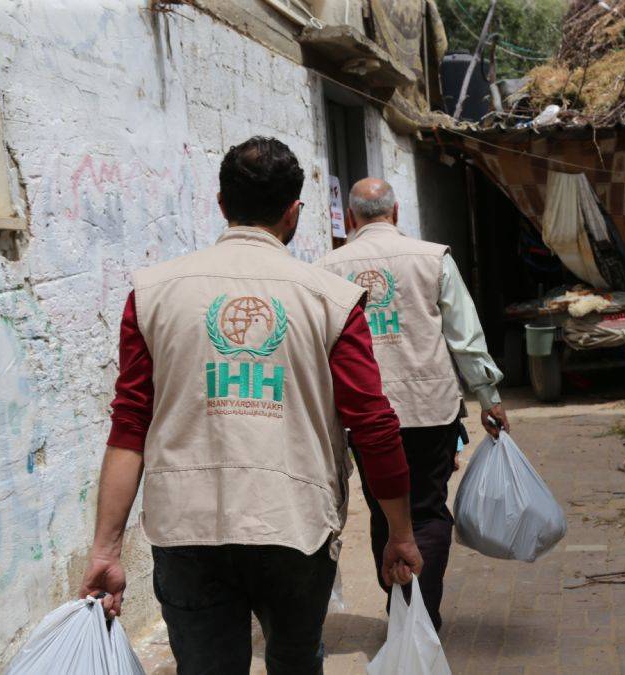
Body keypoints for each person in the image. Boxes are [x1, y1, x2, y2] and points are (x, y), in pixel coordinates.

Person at [78, 138, 423, 674]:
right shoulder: (329, 299)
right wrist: (400, 533)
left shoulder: (153, 293)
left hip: (186, 529)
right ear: (293, 213)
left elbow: (129, 427)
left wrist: (105, 549)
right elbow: (373, 425)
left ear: (221, 204)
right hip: (295, 526)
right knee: (295, 660)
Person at [316, 177, 507, 632]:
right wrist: (489, 396)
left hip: (364, 415)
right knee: (427, 509)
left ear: (348, 219)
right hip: (429, 409)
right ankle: (423, 614)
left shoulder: (327, 267)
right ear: (396, 213)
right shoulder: (432, 258)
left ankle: (402, 607)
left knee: (385, 507)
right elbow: (465, 336)